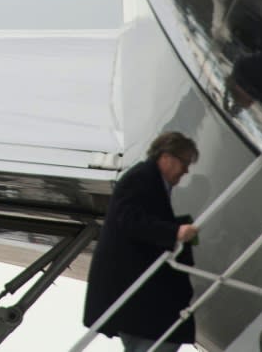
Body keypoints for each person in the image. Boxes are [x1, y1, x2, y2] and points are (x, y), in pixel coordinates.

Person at [83, 132, 200, 352]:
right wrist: (174, 231)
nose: (186, 170)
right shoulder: (141, 178)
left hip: (137, 293)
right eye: (184, 163)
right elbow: (130, 220)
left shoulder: (147, 179)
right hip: (135, 291)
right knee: (161, 340)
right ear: (166, 157)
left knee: (159, 339)